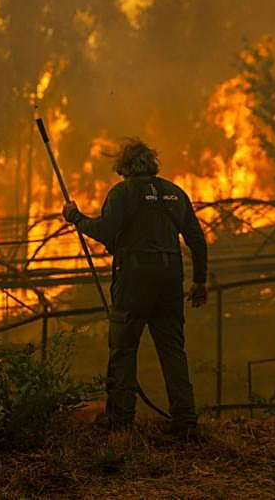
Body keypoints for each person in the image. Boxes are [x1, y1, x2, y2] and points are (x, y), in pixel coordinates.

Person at [63, 138, 208, 434]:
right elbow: (196, 239)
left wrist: (75, 218)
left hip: (134, 281)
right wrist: (200, 281)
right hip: (170, 281)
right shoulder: (174, 194)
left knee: (123, 348)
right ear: (152, 164)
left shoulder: (123, 193)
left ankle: (120, 421)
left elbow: (104, 231)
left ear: (124, 167)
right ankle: (185, 420)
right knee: (173, 350)